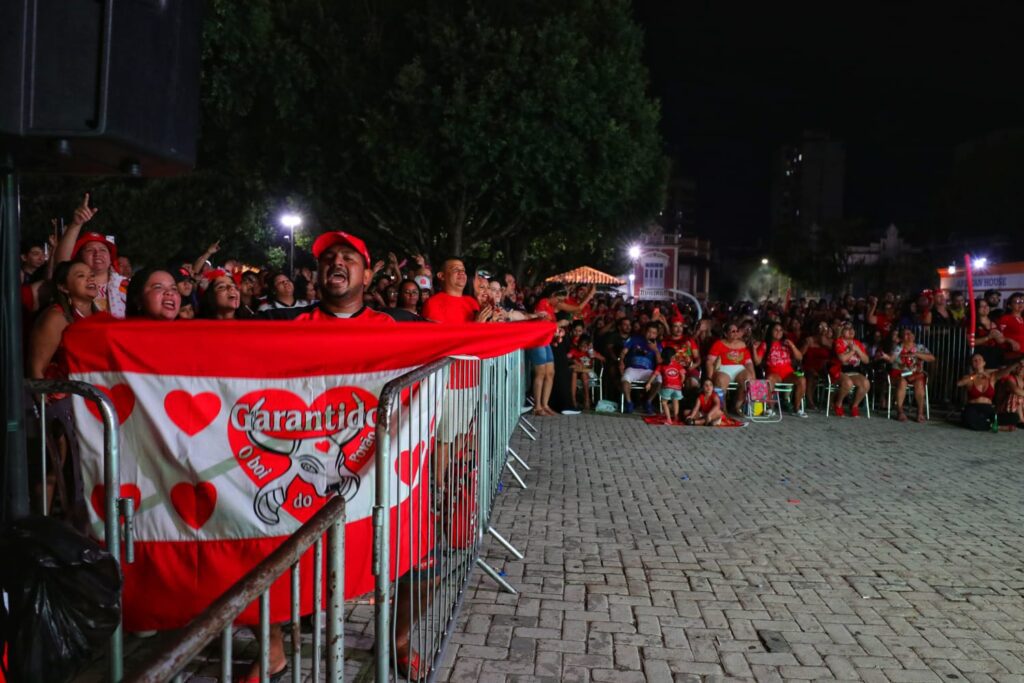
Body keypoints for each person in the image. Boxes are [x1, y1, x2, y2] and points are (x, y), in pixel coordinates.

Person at [54, 194, 130, 318]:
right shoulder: (76, 287)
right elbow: (61, 265)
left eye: (103, 250)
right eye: (90, 250)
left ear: (111, 258)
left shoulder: (128, 286)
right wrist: (76, 225)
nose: (97, 253)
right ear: (79, 258)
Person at [27, 262, 99, 380]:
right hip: (62, 393)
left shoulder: (99, 316)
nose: (90, 279)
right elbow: (36, 369)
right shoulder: (56, 317)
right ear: (64, 287)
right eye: (81, 275)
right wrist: (42, 398)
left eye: (92, 275)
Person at [879, 327, 935, 423]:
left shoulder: (919, 347)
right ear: (901, 338)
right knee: (902, 382)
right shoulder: (898, 347)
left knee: (919, 384)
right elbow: (892, 359)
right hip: (900, 374)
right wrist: (885, 357)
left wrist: (916, 354)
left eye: (911, 333)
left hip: (915, 374)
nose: (909, 335)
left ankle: (920, 412)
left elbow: (932, 358)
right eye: (906, 333)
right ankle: (900, 411)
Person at [754, 322, 808, 417]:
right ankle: (770, 408)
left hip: (788, 373)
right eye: (776, 330)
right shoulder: (765, 344)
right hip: (773, 373)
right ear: (771, 331)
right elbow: (757, 362)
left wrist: (792, 345)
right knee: (769, 379)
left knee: (802, 380)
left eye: (781, 330)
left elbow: (800, 357)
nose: (778, 332)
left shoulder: (787, 343)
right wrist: (754, 349)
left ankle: (797, 409)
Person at [706, 323, 755, 415]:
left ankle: (737, 407)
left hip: (739, 369)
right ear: (726, 334)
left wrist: (753, 376)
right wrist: (709, 378)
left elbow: (748, 363)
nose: (735, 333)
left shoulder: (742, 344)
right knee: (720, 381)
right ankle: (723, 409)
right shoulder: (719, 344)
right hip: (723, 368)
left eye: (737, 331)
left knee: (748, 379)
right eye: (733, 331)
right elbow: (709, 361)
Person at [958, 354, 1014, 431]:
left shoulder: (992, 377)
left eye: (979, 360)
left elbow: (1006, 371)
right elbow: (959, 384)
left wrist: (1017, 363)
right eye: (975, 360)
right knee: (967, 417)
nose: (977, 361)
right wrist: (975, 376)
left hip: (988, 408)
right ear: (972, 364)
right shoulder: (969, 377)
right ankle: (995, 426)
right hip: (973, 407)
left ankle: (986, 423)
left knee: (1014, 417)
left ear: (984, 363)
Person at [422, 258, 483, 323]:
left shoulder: (471, 302)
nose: (462, 272)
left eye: (463, 270)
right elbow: (440, 333)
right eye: (456, 270)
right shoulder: (433, 303)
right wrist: (476, 325)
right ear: (442, 276)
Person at [619, 322, 663, 414]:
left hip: (648, 371)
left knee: (659, 380)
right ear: (645, 331)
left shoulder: (658, 345)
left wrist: (655, 349)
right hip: (632, 368)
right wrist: (621, 361)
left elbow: (660, 362)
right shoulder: (635, 339)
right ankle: (629, 402)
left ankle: (648, 402)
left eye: (654, 333)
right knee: (625, 378)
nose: (651, 334)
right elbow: (623, 352)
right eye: (649, 332)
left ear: (657, 335)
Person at [830, 323, 871, 417]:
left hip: (853, 371)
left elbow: (866, 360)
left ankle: (854, 406)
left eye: (852, 328)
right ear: (842, 331)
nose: (851, 331)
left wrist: (858, 350)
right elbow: (842, 359)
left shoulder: (857, 343)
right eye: (847, 329)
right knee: (848, 383)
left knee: (866, 384)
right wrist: (852, 351)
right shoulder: (838, 342)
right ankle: (838, 403)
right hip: (838, 370)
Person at [646, 347, 685, 424]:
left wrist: (649, 383)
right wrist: (680, 383)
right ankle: (676, 418)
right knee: (675, 401)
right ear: (672, 357)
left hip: (667, 387)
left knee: (664, 402)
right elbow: (683, 375)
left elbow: (654, 374)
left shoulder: (660, 366)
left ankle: (669, 419)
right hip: (678, 388)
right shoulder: (677, 365)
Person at [662, 317, 701, 388]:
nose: (679, 329)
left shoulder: (689, 340)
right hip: (672, 369)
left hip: (689, 368)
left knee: (692, 383)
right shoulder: (665, 342)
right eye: (675, 326)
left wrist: (694, 365)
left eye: (680, 326)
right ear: (671, 328)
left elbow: (697, 358)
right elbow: (663, 359)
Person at [567, 334, 603, 410]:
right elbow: (566, 357)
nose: (583, 348)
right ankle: (573, 400)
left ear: (589, 345)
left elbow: (604, 359)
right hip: (577, 372)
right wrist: (573, 360)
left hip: (588, 373)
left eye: (585, 346)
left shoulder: (590, 352)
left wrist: (596, 356)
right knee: (574, 373)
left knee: (584, 374)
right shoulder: (574, 351)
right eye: (581, 346)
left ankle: (586, 399)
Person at [995, 359, 1024, 430]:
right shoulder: (1009, 378)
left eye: (1023, 366)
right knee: (1017, 394)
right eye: (1018, 366)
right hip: (1006, 410)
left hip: (1018, 410)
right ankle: (1021, 420)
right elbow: (1015, 390)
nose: (1021, 368)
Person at [996, 292, 1024, 360]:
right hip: (1013, 355)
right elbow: (998, 337)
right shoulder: (1005, 318)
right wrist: (1010, 340)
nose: (1020, 303)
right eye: (1017, 302)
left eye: (1022, 301)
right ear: (1009, 306)